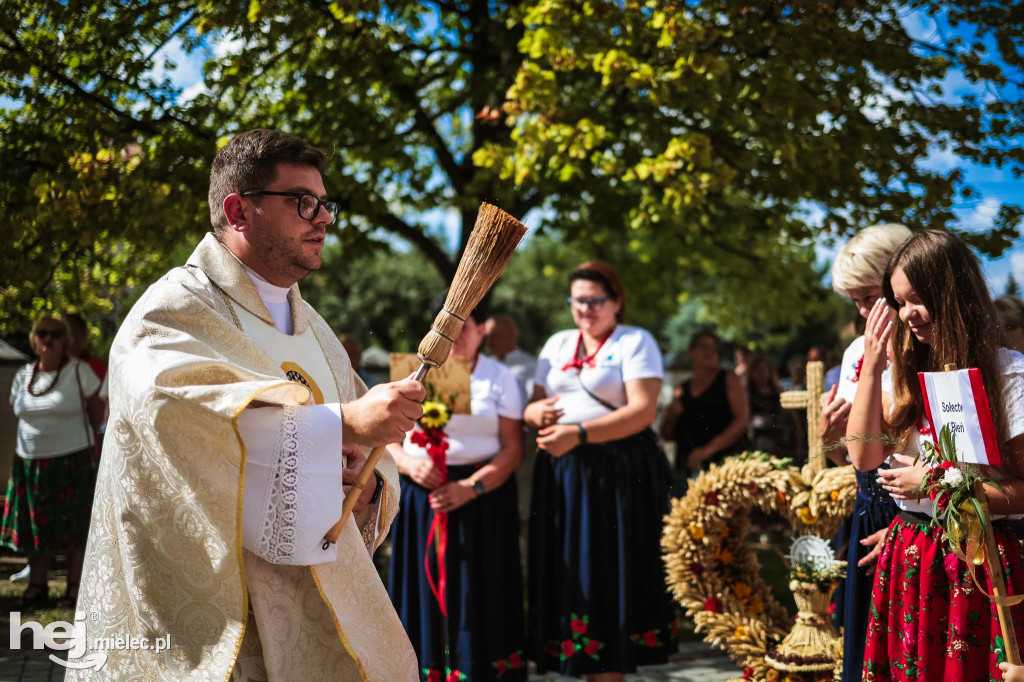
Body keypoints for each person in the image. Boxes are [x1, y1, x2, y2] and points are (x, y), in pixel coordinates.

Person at [70, 129, 425, 681]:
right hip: (217, 621)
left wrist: (369, 486)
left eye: (325, 203)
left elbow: (369, 448)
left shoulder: (320, 334)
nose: (324, 218)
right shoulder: (172, 311)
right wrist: (346, 423)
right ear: (239, 210)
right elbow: (174, 413)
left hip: (314, 604)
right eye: (303, 202)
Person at [850, 230, 1024, 682]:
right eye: (899, 301)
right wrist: (873, 365)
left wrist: (935, 485)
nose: (908, 313)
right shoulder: (909, 372)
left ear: (954, 293)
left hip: (976, 561)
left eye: (919, 298)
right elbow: (864, 456)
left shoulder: (1009, 373)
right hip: (910, 555)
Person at [525, 260, 674, 681]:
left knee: (608, 569)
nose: (585, 309)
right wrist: (533, 411)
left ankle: (610, 670)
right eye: (577, 301)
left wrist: (580, 434)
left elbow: (642, 411)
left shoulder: (635, 341)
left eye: (595, 301)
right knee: (569, 567)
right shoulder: (556, 343)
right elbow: (533, 405)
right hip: (562, 475)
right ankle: (581, 662)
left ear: (616, 301)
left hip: (617, 473)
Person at [389, 293, 525, 682]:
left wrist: (471, 487)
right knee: (424, 592)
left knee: (480, 593)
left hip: (481, 499)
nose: (458, 336)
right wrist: (411, 464)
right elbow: (388, 439)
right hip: (423, 498)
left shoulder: (499, 377)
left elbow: (514, 449)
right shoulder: (415, 374)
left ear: (482, 331)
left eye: (467, 327)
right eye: (449, 327)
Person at [821, 222, 910, 682]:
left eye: (870, 296)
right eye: (854, 301)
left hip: (914, 512)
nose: (862, 312)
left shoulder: (926, 340)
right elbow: (849, 457)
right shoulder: (857, 350)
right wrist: (829, 436)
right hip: (867, 508)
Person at [2, 316, 103, 608]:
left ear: (65, 341)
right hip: (30, 463)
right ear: (34, 340)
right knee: (36, 527)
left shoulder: (79, 371)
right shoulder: (23, 375)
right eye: (42, 334)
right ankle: (37, 585)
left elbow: (97, 414)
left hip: (73, 459)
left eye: (56, 335)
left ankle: (73, 588)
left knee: (74, 527)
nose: (48, 339)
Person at [660, 329, 748, 490]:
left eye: (714, 349)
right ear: (691, 351)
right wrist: (671, 417)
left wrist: (707, 450)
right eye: (703, 347)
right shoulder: (682, 389)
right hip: (687, 470)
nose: (709, 352)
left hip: (724, 467)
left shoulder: (728, 379)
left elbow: (742, 420)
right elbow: (667, 435)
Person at [746, 356, 796, 455]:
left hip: (782, 441)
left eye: (765, 369)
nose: (762, 372)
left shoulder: (778, 392)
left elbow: (793, 416)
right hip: (758, 442)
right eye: (758, 369)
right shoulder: (747, 394)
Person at [485, 314, 536, 406]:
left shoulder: (530, 365)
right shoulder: (483, 364)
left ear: (511, 336)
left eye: (494, 336)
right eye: (487, 337)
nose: (489, 342)